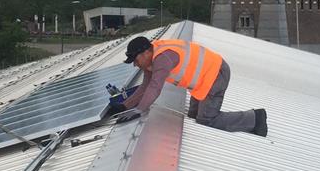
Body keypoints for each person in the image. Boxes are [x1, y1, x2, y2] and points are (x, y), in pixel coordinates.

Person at [113, 36, 267, 137]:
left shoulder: (162, 58)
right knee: (193, 115)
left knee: (206, 119)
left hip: (216, 74)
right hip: (203, 80)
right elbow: (145, 87)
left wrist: (139, 110)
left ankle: (255, 118)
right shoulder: (152, 60)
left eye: (136, 59)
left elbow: (155, 87)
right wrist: (123, 106)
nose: (135, 64)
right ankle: (251, 118)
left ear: (146, 52)